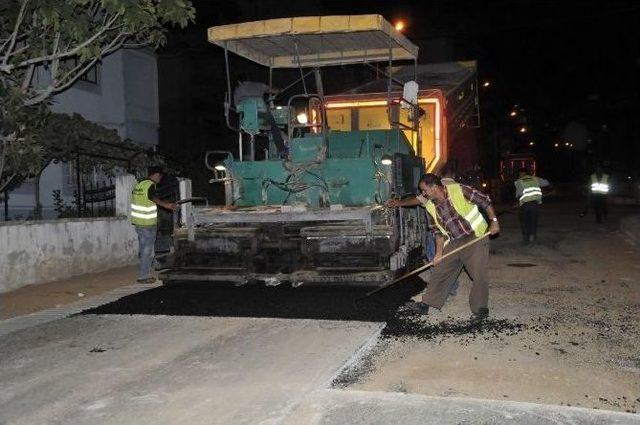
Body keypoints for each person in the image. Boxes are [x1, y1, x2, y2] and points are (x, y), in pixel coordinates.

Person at [387, 173, 500, 319]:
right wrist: (439, 253)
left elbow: (485, 201)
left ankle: (480, 309)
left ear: (434, 188)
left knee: (478, 274)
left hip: (475, 236)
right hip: (455, 240)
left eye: (424, 190)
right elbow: (437, 232)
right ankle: (426, 304)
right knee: (440, 269)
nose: (423, 194)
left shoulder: (459, 190)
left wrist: (494, 220)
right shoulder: (429, 206)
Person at [129, 166, 176, 283]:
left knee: (143, 248)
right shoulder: (150, 185)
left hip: (138, 222)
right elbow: (152, 197)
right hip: (147, 223)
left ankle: (152, 266)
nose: (160, 179)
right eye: (160, 176)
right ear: (155, 174)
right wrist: (167, 205)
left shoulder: (139, 185)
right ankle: (143, 276)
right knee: (147, 250)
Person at [233, 78, 287, 156]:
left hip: (249, 118)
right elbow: (273, 90)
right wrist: (280, 90)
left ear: (239, 81)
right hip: (263, 116)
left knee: (249, 127)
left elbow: (237, 106)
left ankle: (249, 154)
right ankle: (281, 149)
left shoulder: (239, 89)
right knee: (274, 126)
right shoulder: (259, 85)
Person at [514, 168, 550, 244]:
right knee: (533, 220)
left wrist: (517, 203)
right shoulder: (535, 179)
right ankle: (532, 236)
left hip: (525, 205)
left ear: (521, 174)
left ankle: (526, 238)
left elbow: (519, 194)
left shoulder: (518, 181)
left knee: (524, 221)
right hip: (534, 204)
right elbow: (547, 182)